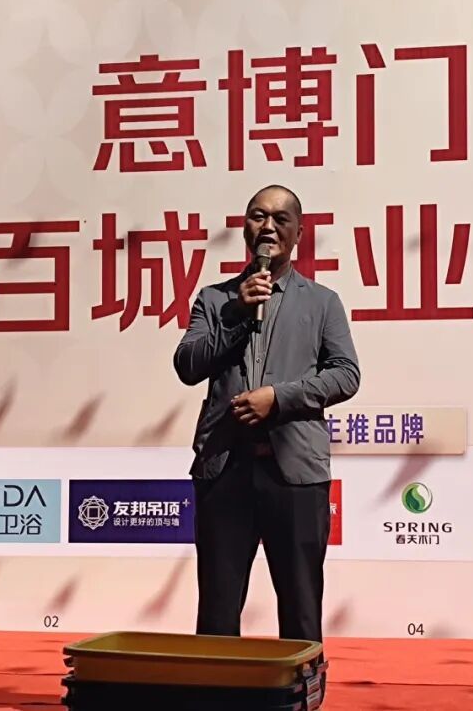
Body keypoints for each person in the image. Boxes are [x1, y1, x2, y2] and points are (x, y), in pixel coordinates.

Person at [173, 184, 360, 645]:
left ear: (298, 233)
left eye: (281, 219)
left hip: (295, 474)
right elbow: (187, 365)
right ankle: (217, 684)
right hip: (225, 469)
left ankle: (301, 684)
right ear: (244, 228)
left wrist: (279, 398)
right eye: (258, 216)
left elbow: (346, 374)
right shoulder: (215, 299)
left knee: (300, 606)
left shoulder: (322, 302)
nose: (268, 227)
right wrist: (238, 312)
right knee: (217, 609)